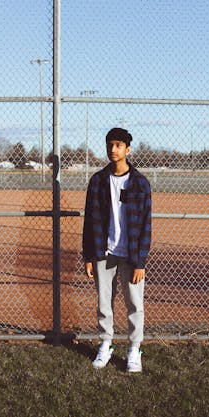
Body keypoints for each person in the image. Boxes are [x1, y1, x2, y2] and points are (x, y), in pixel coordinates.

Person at [82, 127, 152, 373]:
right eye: (110, 145)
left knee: (134, 303)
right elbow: (90, 221)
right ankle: (106, 344)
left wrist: (140, 261)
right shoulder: (98, 181)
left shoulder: (140, 183)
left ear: (128, 149)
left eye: (119, 145)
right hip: (104, 252)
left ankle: (134, 349)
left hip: (131, 254)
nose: (113, 150)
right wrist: (89, 256)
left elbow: (145, 225)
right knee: (104, 302)